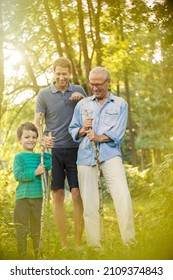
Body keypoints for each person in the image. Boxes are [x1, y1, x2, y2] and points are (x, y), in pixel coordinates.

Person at [69, 66, 136, 250]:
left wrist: (98, 137)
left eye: (99, 84)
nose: (95, 88)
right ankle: (95, 247)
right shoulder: (82, 105)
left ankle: (129, 243)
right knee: (90, 204)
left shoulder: (120, 104)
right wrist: (83, 129)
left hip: (110, 155)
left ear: (108, 83)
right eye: (92, 84)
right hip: (85, 157)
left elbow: (118, 133)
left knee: (122, 197)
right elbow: (72, 129)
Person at [35, 57, 86, 249]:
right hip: (54, 151)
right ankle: (64, 242)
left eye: (65, 73)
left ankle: (78, 241)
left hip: (75, 150)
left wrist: (83, 101)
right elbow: (37, 122)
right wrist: (41, 138)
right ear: (53, 73)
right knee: (57, 196)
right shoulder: (44, 94)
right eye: (58, 73)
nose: (61, 77)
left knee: (76, 194)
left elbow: (89, 114)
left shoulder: (79, 91)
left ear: (69, 73)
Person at [13, 122, 51, 259]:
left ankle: (38, 256)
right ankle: (22, 256)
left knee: (37, 229)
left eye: (34, 137)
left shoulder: (38, 156)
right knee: (21, 228)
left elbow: (48, 164)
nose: (31, 140)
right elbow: (18, 175)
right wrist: (34, 172)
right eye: (27, 137)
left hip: (37, 197)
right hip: (22, 199)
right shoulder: (19, 157)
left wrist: (46, 150)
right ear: (20, 140)